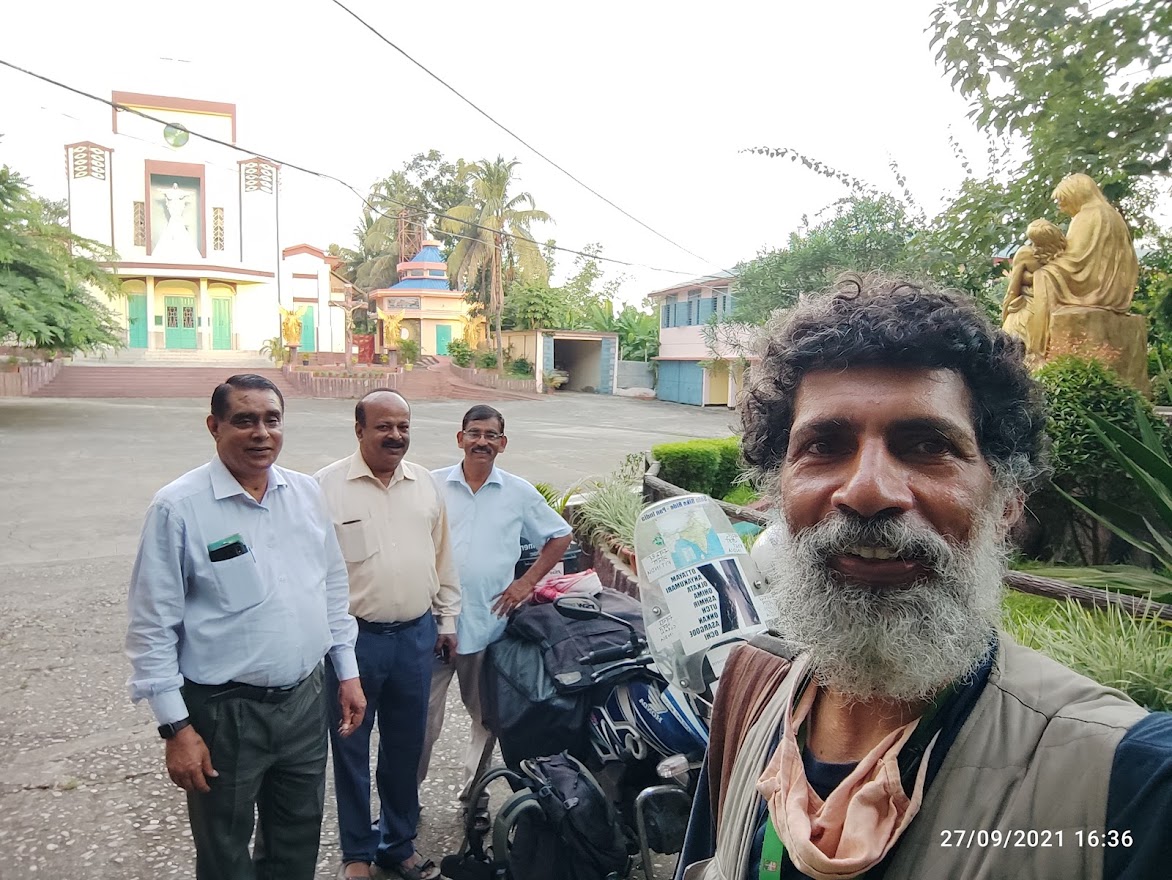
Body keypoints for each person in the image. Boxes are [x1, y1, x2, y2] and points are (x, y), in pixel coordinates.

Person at [676, 276, 1172, 879]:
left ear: (1007, 502)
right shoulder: (751, 694)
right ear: (777, 492)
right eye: (824, 445)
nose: (866, 491)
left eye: (926, 445)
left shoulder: (1125, 782)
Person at [125, 373, 365, 880]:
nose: (261, 433)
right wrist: (176, 728)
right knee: (225, 849)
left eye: (272, 420)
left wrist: (347, 672)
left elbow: (331, 585)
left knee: (297, 838)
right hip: (224, 713)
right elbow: (151, 627)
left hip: (304, 701)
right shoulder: (178, 507)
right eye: (244, 420)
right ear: (214, 427)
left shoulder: (305, 493)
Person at [314, 389, 460, 880]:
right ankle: (357, 852)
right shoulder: (324, 488)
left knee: (405, 748)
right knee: (351, 750)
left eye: (403, 426)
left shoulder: (425, 484)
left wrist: (447, 620)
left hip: (415, 639)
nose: (395, 435)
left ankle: (398, 843)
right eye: (383, 426)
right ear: (359, 430)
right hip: (353, 643)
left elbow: (443, 557)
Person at [419, 404, 572, 819]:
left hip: (489, 626)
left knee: (486, 720)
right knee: (420, 722)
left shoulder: (518, 492)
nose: (482, 441)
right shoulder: (430, 485)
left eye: (491, 435)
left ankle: (475, 798)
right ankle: (404, 803)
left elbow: (560, 535)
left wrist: (526, 583)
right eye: (474, 433)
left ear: (502, 444)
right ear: (460, 438)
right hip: (432, 626)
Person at [1001, 173, 1139, 358]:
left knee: (1028, 294)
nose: (1062, 208)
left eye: (1063, 202)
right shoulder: (1112, 215)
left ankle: (1032, 351)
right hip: (1110, 290)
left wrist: (1033, 276)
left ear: (1076, 195)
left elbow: (1074, 261)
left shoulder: (1087, 216)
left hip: (1090, 287)